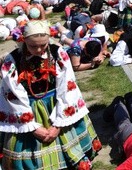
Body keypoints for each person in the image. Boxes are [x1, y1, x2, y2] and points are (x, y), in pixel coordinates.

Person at [0, 20, 101, 168]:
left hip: (57, 105)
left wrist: (59, 124)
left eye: (43, 45)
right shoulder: (13, 60)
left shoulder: (57, 53)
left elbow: (66, 87)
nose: (40, 50)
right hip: (26, 108)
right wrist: (32, 127)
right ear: (24, 40)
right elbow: (13, 95)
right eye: (33, 46)